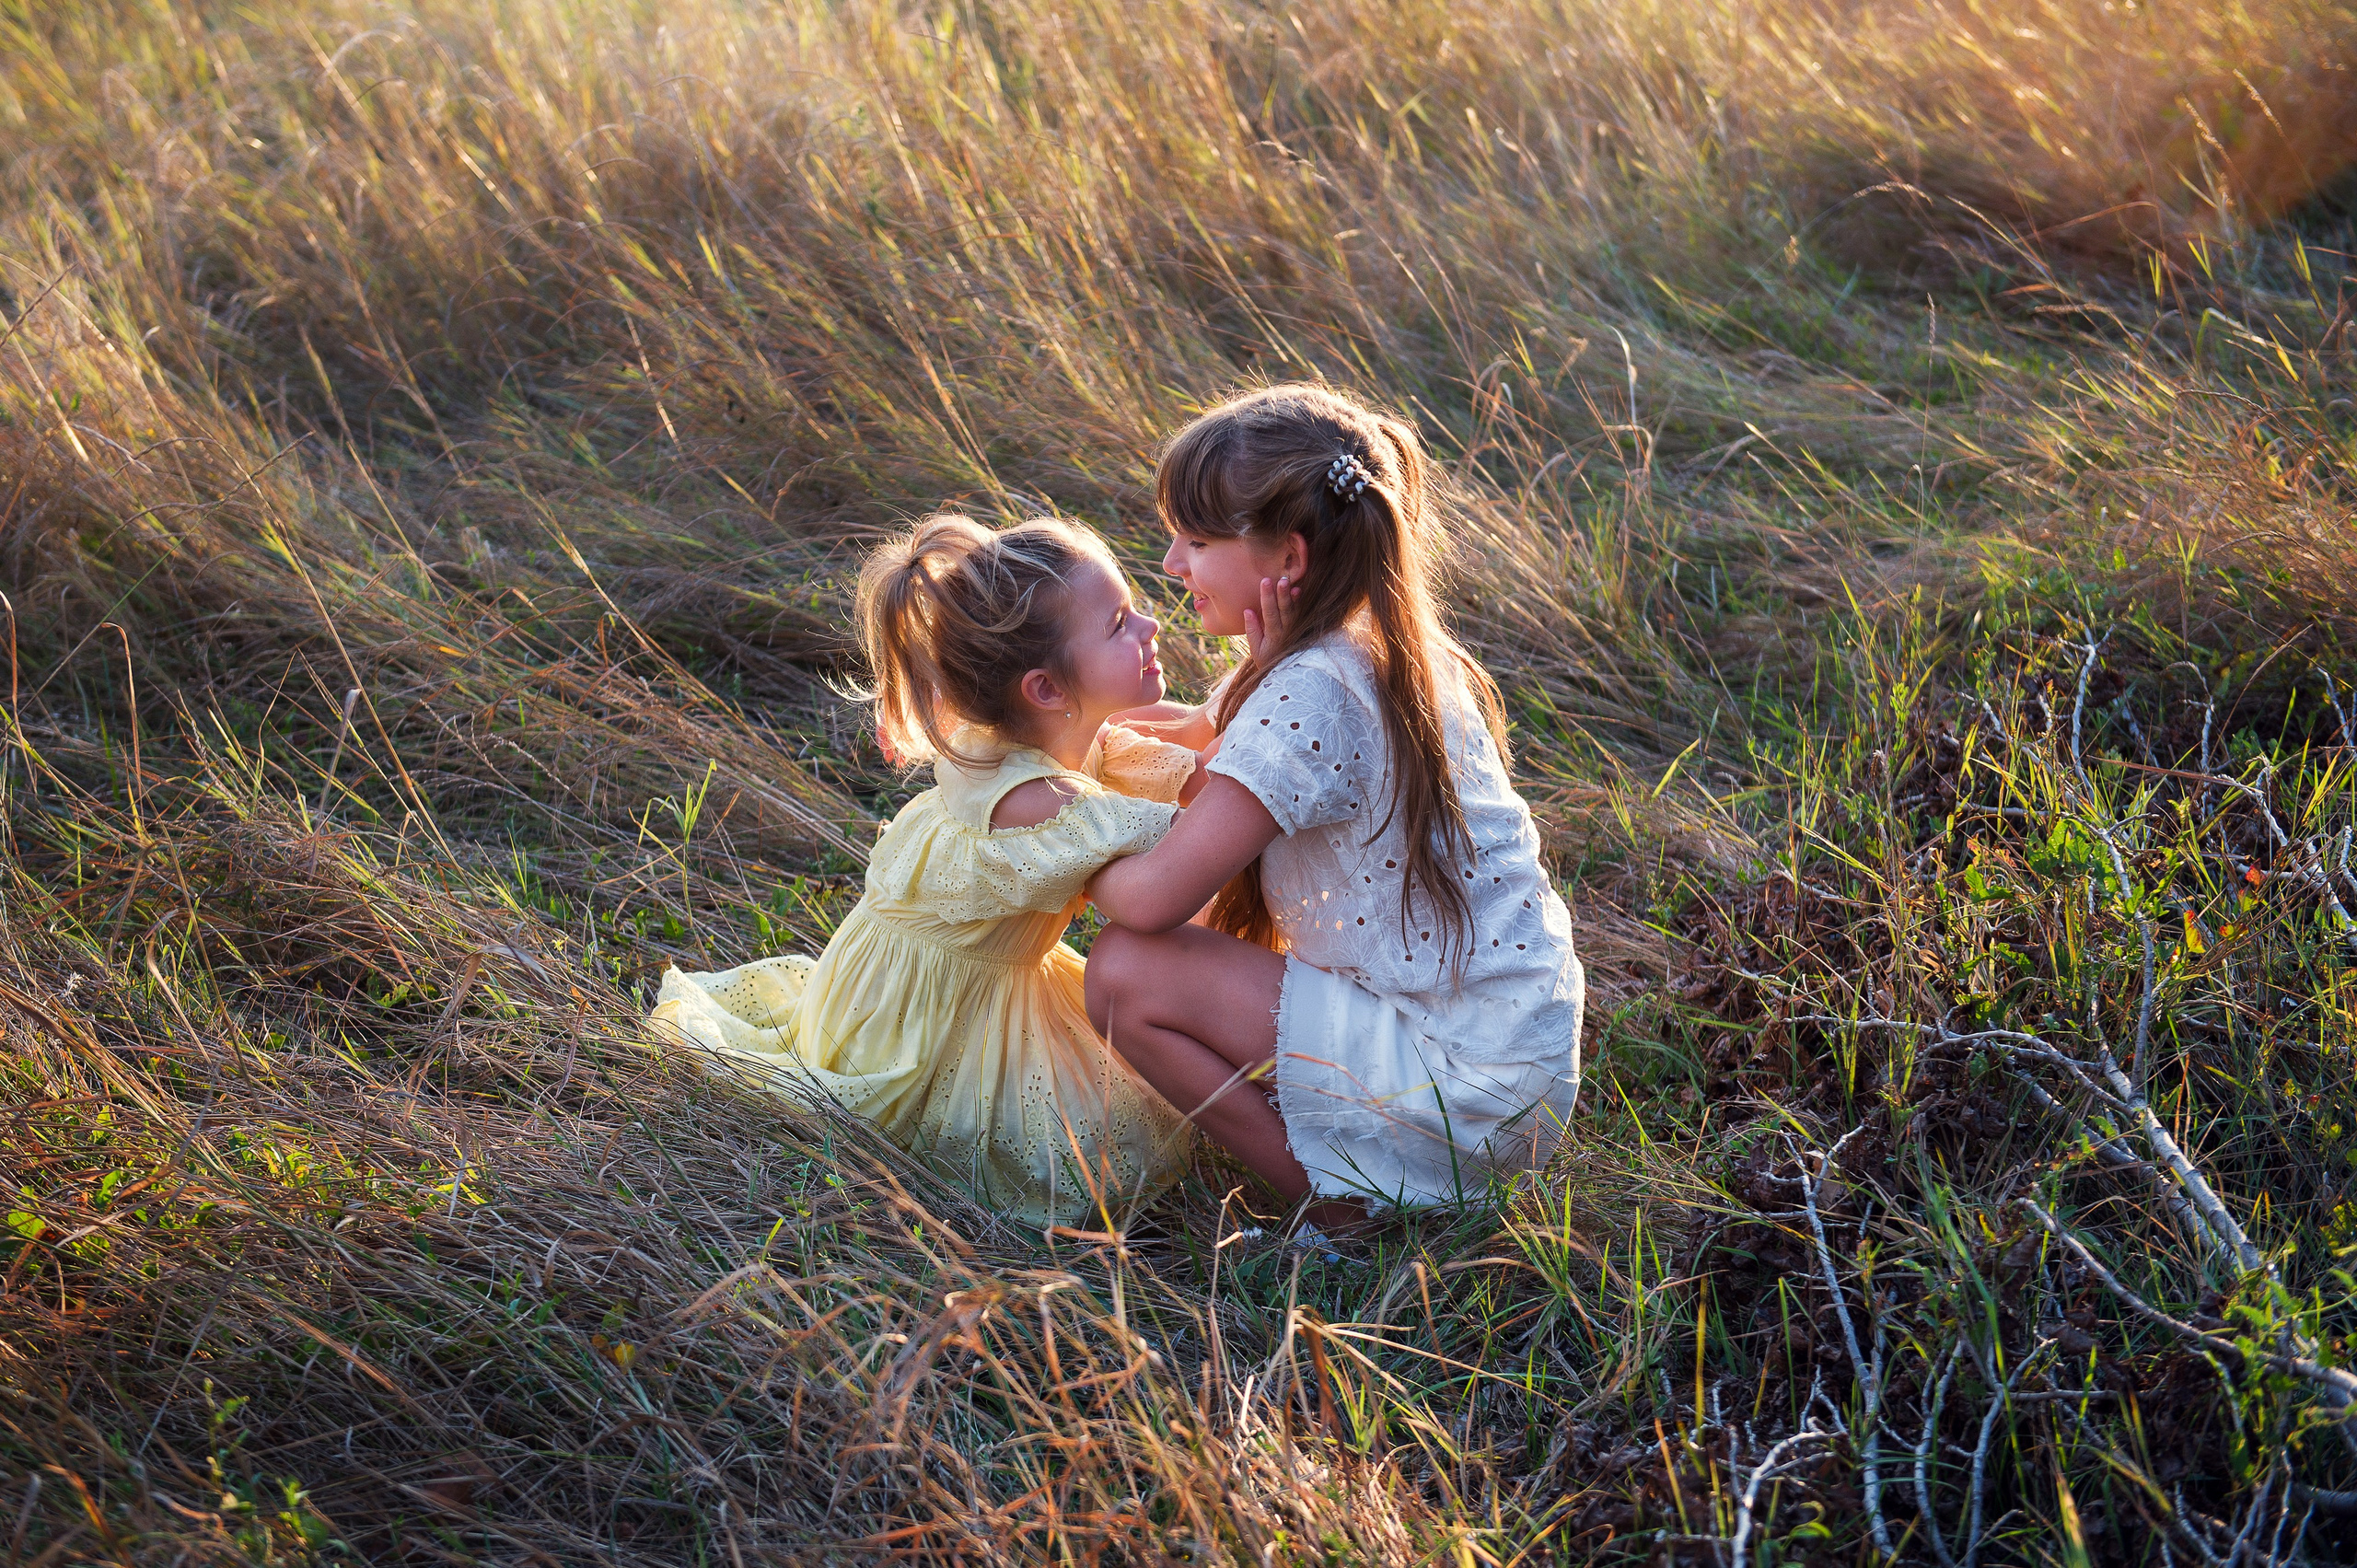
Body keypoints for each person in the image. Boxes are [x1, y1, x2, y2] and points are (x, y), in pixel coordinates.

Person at [1084, 384, 1583, 1232]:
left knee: (1126, 971)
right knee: (1196, 929)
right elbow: (1203, 738)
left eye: (1198, 539)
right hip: (1521, 1064)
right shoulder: (1376, 642)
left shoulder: (1308, 693)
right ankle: (1361, 1160)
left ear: (1289, 559)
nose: (1171, 563)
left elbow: (1152, 896)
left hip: (1463, 1085)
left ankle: (1343, 1207)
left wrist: (1057, 833)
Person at [649, 515, 1200, 1227]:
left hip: (931, 974)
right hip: (927, 1020)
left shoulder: (1052, 733)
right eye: (1120, 623)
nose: (1152, 625)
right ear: (1046, 688)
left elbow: (1199, 733)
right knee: (1077, 1154)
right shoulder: (1043, 801)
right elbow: (1200, 836)